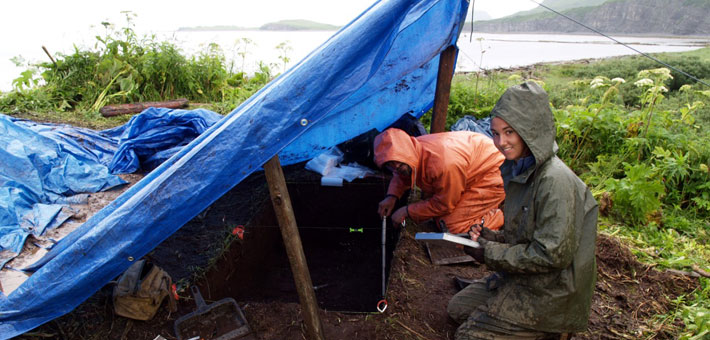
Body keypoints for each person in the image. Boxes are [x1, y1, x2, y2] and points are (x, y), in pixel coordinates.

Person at [448, 81, 598, 339]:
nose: (500, 142)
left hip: (552, 293)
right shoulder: (519, 169)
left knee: (467, 336)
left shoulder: (554, 180)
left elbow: (552, 255)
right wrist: (489, 237)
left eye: (509, 132)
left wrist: (489, 253)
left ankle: (553, 330)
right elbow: (526, 233)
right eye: (495, 133)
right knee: (457, 309)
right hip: (525, 278)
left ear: (530, 131)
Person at [374, 128, 506, 234]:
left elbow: (445, 205)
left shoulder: (443, 164)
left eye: (398, 162)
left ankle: (501, 216)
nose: (395, 167)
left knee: (453, 227)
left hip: (493, 172)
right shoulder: (412, 151)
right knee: (440, 219)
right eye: (390, 164)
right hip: (469, 168)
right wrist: (392, 196)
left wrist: (407, 211)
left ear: (405, 151)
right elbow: (402, 174)